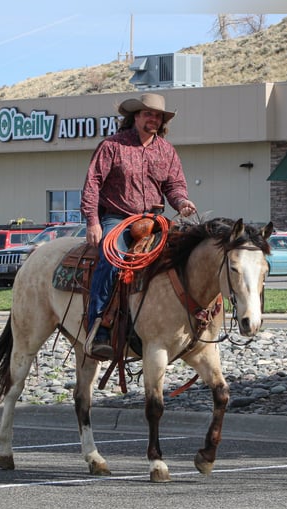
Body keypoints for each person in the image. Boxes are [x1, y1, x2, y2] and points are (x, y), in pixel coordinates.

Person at [80, 92, 197, 359]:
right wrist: (93, 222)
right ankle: (97, 327)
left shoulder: (166, 150)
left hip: (155, 220)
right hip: (118, 217)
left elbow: (174, 186)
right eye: (148, 114)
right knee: (111, 257)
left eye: (157, 116)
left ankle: (178, 321)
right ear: (135, 116)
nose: (153, 119)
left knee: (186, 255)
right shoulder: (112, 146)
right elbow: (93, 183)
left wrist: (182, 202)